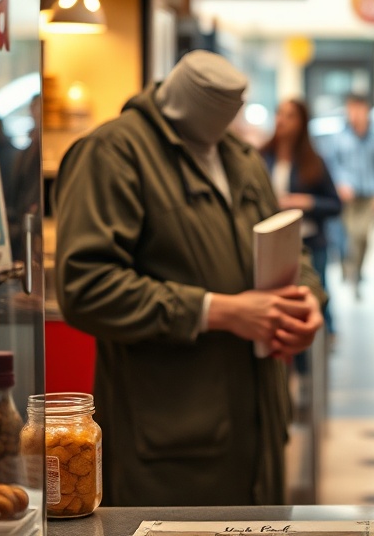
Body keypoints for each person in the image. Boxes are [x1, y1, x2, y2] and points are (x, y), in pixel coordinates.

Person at [54, 50, 325, 508]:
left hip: (259, 431)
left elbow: (289, 247)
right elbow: (86, 286)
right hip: (169, 443)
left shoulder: (240, 157)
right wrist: (219, 311)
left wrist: (307, 301)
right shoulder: (114, 153)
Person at [259, 98, 342, 335]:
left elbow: (335, 205)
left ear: (302, 122)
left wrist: (307, 202)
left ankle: (324, 337)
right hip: (272, 242)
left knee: (314, 294)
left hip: (309, 241)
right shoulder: (261, 157)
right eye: (279, 113)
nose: (282, 120)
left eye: (290, 115)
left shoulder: (313, 161)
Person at [324, 93, 374, 299]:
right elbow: (332, 165)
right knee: (348, 237)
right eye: (351, 109)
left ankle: (357, 272)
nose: (355, 114)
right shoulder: (338, 138)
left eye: (359, 108)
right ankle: (349, 269)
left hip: (369, 197)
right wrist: (340, 184)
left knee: (363, 237)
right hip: (347, 198)